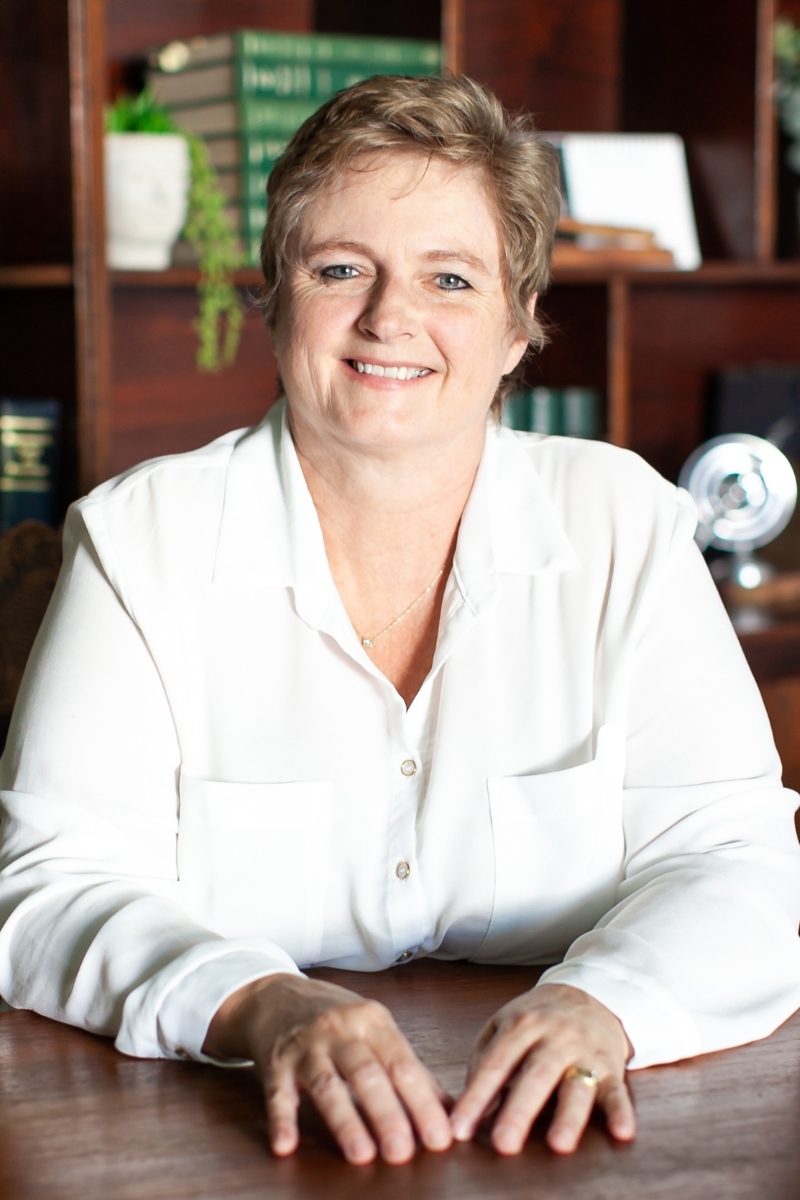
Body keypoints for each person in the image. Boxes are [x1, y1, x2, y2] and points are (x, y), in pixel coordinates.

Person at [1, 74, 800, 1169]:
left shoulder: (624, 524)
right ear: (274, 299)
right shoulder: (139, 541)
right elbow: (49, 884)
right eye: (340, 269)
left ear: (517, 326)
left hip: (567, 1136)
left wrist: (608, 1006)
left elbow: (734, 859)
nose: (389, 318)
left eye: (450, 278)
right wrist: (257, 1002)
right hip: (210, 1138)